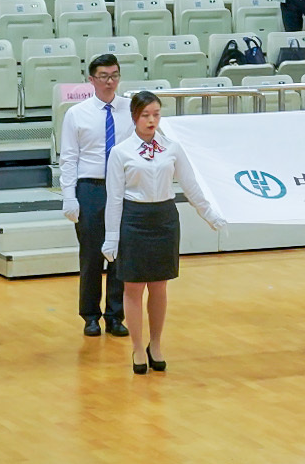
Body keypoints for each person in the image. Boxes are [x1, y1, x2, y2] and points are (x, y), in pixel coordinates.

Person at [102, 91, 226, 374]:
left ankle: (155, 344)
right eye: (145, 115)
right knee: (133, 287)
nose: (151, 120)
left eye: (156, 114)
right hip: (134, 219)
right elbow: (115, 198)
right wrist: (111, 237)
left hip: (164, 218)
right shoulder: (121, 152)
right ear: (134, 117)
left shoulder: (172, 148)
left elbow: (191, 185)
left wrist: (209, 214)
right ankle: (137, 347)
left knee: (159, 285)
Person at [60, 54, 133, 338]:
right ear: (91, 79)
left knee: (120, 253)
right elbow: (69, 158)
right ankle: (90, 315)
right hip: (90, 187)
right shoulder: (76, 113)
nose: (110, 81)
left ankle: (115, 315)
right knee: (91, 255)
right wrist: (69, 196)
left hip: (123, 187)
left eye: (114, 75)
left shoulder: (130, 109)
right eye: (103, 76)